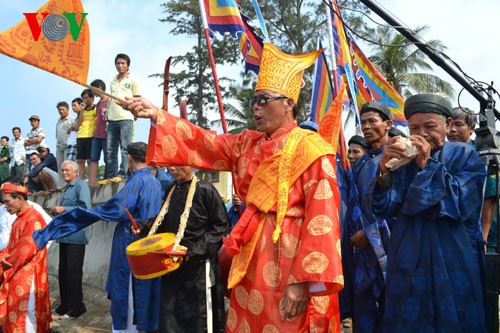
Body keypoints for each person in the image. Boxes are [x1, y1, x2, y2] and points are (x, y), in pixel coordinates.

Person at [122, 43, 344, 332]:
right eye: (254, 101)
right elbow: (205, 141)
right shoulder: (248, 143)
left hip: (291, 262)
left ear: (289, 103)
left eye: (263, 100)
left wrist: (303, 282)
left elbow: (322, 220)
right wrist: (156, 115)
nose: (256, 107)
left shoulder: (312, 148)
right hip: (250, 256)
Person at [372, 94, 487, 331]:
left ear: (447, 125)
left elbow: (460, 204)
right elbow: (386, 207)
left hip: (453, 254)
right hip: (408, 254)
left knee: (456, 315)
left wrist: (427, 165)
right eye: (415, 127)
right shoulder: (405, 160)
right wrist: (384, 172)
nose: (422, 133)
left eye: (430, 126)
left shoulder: (464, 155)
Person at [33, 142, 163, 332]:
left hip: (131, 243)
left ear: (129, 159)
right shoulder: (156, 182)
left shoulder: (137, 181)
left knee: (127, 295)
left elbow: (118, 208)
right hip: (149, 245)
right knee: (145, 293)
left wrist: (84, 216)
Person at [136, 165, 229, 332]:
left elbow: (221, 226)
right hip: (172, 265)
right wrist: (142, 226)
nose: (171, 168)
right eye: (169, 164)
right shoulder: (172, 189)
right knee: (171, 318)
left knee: (198, 320)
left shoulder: (205, 190)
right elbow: (163, 220)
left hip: (197, 270)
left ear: (189, 164)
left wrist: (193, 251)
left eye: (176, 164)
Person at [350, 102, 394, 333]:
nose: (366, 127)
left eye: (372, 121)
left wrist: (370, 233)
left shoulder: (397, 157)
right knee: (364, 308)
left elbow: (398, 205)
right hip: (362, 251)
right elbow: (354, 203)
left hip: (389, 247)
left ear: (388, 124)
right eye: (363, 122)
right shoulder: (363, 163)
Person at [0, 182, 51, 332]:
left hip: (28, 277)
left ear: (20, 199)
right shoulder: (19, 219)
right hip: (17, 273)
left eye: (8, 202)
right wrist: (3, 255)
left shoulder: (33, 219)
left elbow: (24, 251)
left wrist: (3, 263)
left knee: (27, 318)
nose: (5, 206)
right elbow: (11, 247)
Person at [49, 160, 91, 319]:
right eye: (62, 170)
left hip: (76, 236)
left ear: (76, 172)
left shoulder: (81, 186)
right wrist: (58, 212)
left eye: (67, 170)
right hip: (65, 236)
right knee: (63, 272)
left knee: (73, 272)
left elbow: (85, 208)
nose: (64, 173)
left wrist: (63, 209)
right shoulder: (67, 188)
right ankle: (65, 304)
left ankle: (76, 307)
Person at [102, 53, 140, 184]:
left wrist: (135, 114)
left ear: (128, 65)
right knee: (110, 149)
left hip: (126, 117)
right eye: (118, 63)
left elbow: (137, 99)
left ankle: (123, 174)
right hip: (112, 118)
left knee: (125, 147)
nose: (120, 65)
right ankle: (110, 175)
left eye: (123, 63)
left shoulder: (132, 80)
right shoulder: (112, 81)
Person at [87, 79, 110, 187]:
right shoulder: (98, 104)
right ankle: (91, 183)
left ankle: (107, 178)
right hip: (97, 134)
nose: (93, 92)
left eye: (93, 89)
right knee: (93, 158)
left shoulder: (110, 101)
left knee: (108, 158)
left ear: (99, 88)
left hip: (107, 134)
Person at [77, 88, 97, 180]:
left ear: (92, 98)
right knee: (80, 161)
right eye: (83, 98)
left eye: (86, 98)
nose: (84, 100)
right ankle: (80, 181)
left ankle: (90, 181)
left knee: (90, 160)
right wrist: (81, 110)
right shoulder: (82, 110)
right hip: (81, 136)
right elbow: (79, 122)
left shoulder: (96, 108)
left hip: (91, 136)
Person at [55, 101, 74, 174]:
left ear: (68, 109)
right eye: (59, 110)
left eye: (63, 109)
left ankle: (69, 184)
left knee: (68, 166)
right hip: (59, 147)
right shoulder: (58, 122)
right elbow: (57, 136)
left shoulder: (72, 120)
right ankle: (61, 185)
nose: (61, 111)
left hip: (68, 146)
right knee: (60, 167)